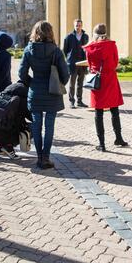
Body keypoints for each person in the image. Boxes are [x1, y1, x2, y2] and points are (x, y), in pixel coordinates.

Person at [19, 21, 70, 169]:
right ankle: (45, 157)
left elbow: (22, 74)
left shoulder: (29, 50)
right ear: (50, 32)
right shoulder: (56, 51)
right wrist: (58, 83)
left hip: (35, 91)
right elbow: (65, 76)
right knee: (49, 126)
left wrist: (32, 83)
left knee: (36, 125)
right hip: (52, 93)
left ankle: (39, 156)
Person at [84, 24, 128, 151]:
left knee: (99, 112)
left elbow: (90, 64)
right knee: (115, 110)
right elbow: (115, 62)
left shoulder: (90, 48)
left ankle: (102, 143)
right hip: (111, 80)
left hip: (97, 81)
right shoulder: (112, 45)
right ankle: (118, 138)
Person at [63, 19, 89, 108]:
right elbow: (65, 50)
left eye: (79, 25)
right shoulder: (69, 36)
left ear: (82, 26)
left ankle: (79, 101)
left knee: (80, 83)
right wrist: (69, 59)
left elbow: (87, 49)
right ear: (74, 26)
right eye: (76, 25)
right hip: (72, 63)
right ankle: (71, 102)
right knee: (72, 83)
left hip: (83, 63)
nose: (78, 27)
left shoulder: (86, 36)